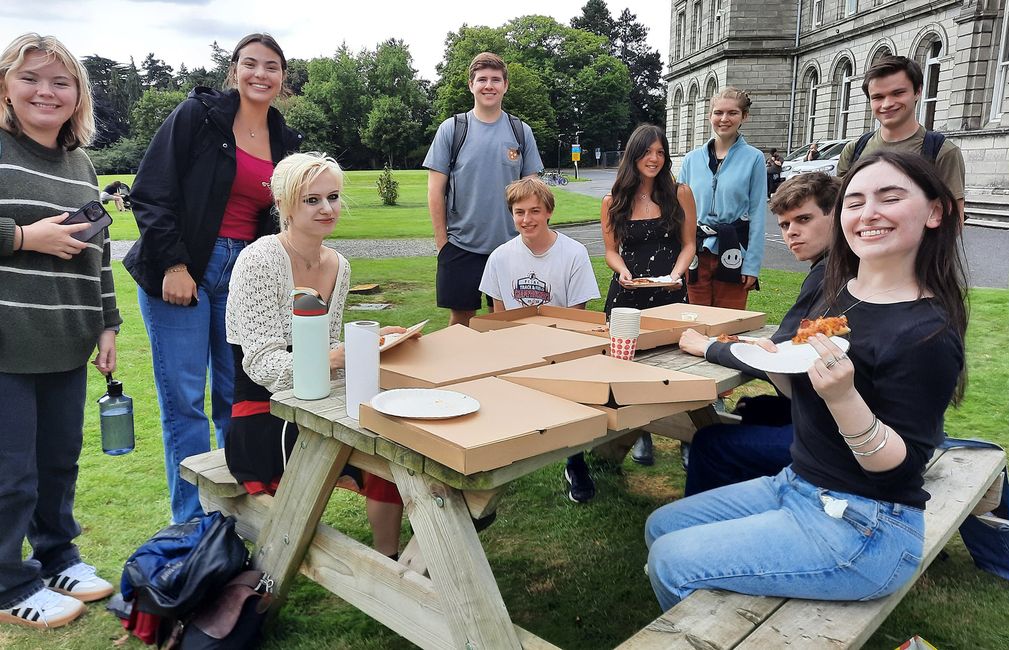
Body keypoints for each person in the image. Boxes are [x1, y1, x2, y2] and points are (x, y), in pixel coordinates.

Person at [645, 151, 967, 612]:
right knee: (660, 526)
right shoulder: (841, 292)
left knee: (672, 561)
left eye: (890, 198)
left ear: (935, 212)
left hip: (866, 524)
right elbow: (802, 389)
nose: (869, 213)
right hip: (798, 482)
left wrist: (843, 397)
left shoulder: (927, 332)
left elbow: (901, 469)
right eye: (855, 201)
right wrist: (781, 367)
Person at [124, 33, 303, 525]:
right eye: (250, 64)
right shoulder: (198, 117)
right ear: (234, 70)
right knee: (184, 402)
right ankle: (192, 522)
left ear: (283, 77)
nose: (260, 74)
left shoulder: (286, 141)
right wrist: (175, 266)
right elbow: (150, 193)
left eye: (271, 66)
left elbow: (286, 218)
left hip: (246, 274)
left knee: (239, 396)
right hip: (183, 267)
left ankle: (236, 515)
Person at [226, 152, 405, 558]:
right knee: (371, 443)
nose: (327, 209)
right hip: (264, 413)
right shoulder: (259, 260)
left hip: (320, 399)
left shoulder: (338, 264)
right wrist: (338, 358)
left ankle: (390, 559)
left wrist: (374, 341)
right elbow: (260, 366)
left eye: (333, 197)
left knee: (395, 444)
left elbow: (325, 344)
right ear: (284, 205)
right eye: (312, 200)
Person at [0, 33, 120, 630]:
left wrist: (107, 324)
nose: (46, 90)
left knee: (58, 463)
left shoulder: (81, 164)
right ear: (5, 86)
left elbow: (98, 253)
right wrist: (25, 237)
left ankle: (57, 558)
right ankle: (8, 581)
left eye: (61, 81)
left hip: (68, 340)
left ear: (78, 96)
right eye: (30, 78)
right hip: (8, 342)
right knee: (10, 472)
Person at [677, 172, 840, 496]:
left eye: (803, 219)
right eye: (784, 224)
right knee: (754, 408)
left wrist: (708, 346)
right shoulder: (833, 266)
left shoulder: (832, 274)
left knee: (710, 443)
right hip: (831, 413)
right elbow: (787, 344)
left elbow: (777, 355)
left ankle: (704, 531)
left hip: (840, 439)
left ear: (836, 215)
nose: (792, 232)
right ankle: (762, 501)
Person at [479, 177, 601, 502]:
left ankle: (575, 461)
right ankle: (494, 461)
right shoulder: (500, 257)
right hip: (514, 350)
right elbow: (497, 319)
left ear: (549, 212)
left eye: (535, 211)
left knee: (575, 394)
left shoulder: (573, 253)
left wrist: (548, 350)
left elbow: (576, 319)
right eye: (519, 212)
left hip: (562, 349)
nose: (527, 219)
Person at [601, 124, 698, 470]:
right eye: (647, 152)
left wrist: (677, 274)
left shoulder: (680, 192)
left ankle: (689, 435)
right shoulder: (615, 200)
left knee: (679, 365)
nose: (654, 159)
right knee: (627, 365)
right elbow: (611, 251)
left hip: (670, 291)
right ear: (634, 155)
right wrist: (623, 271)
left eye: (660, 152)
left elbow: (689, 244)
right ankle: (638, 431)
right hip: (627, 293)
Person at [424, 52, 543, 327]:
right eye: (482, 79)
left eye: (495, 80)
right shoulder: (452, 129)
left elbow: (532, 191)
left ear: (505, 85)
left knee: (505, 322)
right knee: (461, 320)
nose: (489, 85)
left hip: (511, 246)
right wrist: (443, 243)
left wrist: (533, 239)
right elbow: (435, 192)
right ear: (471, 85)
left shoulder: (520, 131)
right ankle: (458, 371)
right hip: (460, 245)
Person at [836, 56, 965, 219]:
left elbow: (953, 220)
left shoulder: (942, 152)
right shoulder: (854, 150)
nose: (887, 104)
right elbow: (841, 209)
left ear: (918, 91)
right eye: (878, 97)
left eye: (898, 93)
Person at [678, 87, 767, 309]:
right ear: (710, 116)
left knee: (728, 323)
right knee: (695, 320)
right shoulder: (691, 160)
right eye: (718, 113)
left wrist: (751, 266)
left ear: (744, 117)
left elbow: (757, 214)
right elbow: (679, 212)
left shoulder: (754, 159)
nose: (724, 119)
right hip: (697, 252)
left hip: (734, 249)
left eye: (732, 113)